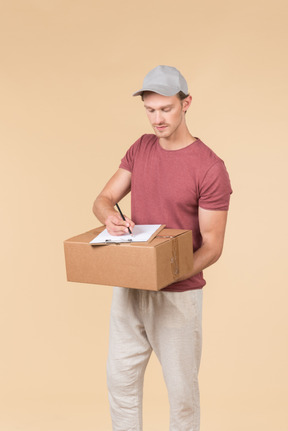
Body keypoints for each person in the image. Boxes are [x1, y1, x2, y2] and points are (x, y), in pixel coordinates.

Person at [93, 65, 232, 431]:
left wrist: (164, 272)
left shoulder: (209, 168)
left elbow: (213, 246)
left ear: (186, 104)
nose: (157, 118)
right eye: (150, 110)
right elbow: (105, 198)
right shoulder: (140, 148)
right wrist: (109, 217)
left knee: (182, 394)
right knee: (120, 384)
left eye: (166, 109)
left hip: (178, 295)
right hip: (130, 286)